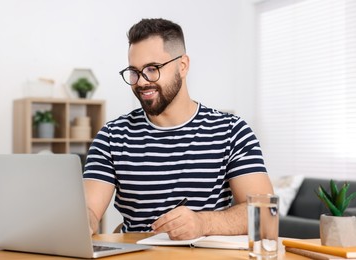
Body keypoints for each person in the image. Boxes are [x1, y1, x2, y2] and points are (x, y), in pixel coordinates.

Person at [83, 18, 273, 240]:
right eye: (134, 71)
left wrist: (204, 222)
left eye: (152, 69)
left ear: (183, 66)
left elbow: (266, 214)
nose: (141, 82)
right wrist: (82, 223)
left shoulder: (232, 131)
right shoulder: (112, 136)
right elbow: (89, 211)